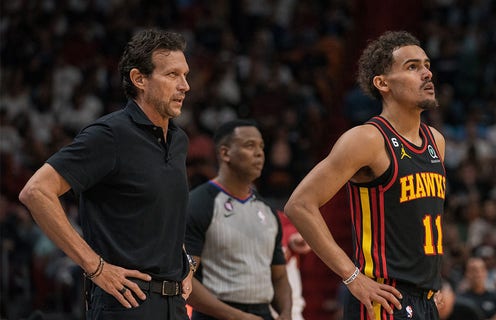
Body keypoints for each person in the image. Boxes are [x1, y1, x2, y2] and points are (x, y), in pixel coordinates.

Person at [18, 29, 195, 319]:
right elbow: (36, 191)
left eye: (185, 75)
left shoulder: (179, 140)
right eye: (172, 75)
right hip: (125, 302)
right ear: (139, 79)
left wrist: (184, 261)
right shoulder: (109, 135)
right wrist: (95, 267)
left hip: (174, 303)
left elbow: (163, 210)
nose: (185, 85)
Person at [284, 30, 446, 319]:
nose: (426, 74)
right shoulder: (368, 139)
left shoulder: (436, 141)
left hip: (426, 300)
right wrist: (352, 277)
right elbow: (299, 204)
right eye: (412, 67)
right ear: (383, 83)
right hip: (384, 298)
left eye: (426, 65)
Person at [185, 119, 292, 320]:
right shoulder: (199, 204)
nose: (259, 153)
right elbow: (184, 279)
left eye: (261, 146)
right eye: (249, 145)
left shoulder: (268, 211)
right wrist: (237, 316)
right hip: (215, 315)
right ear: (225, 153)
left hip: (262, 312)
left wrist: (286, 313)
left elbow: (279, 276)